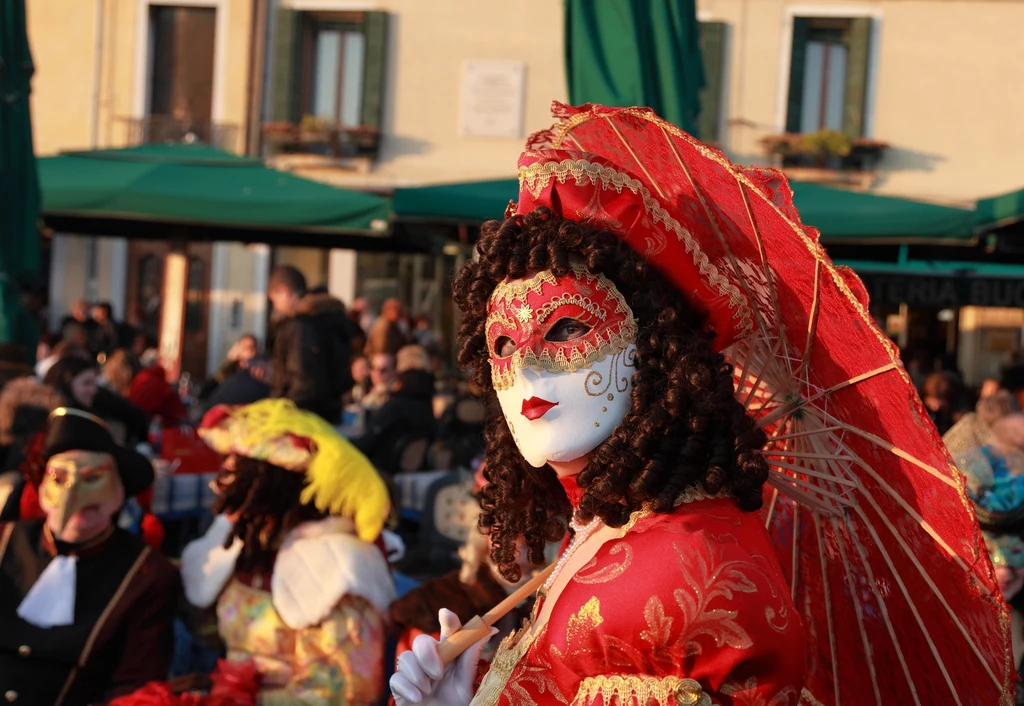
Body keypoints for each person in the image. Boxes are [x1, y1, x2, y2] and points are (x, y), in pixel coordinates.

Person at [390, 129, 806, 704]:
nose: (528, 372)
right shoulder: (618, 527)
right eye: (504, 345)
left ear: (656, 353)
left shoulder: (671, 562)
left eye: (566, 328)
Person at [179, 399, 395, 704]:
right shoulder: (245, 546)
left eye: (242, 473)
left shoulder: (337, 568)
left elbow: (346, 690)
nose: (222, 483)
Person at [0, 407, 177, 704]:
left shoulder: (145, 574)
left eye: (93, 478)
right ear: (42, 488)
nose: (74, 495)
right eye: (59, 478)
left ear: (118, 493)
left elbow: (135, 686)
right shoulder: (4, 539)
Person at [267, 266, 353, 424]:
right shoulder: (328, 318)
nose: (276, 306)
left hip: (304, 420)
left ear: (284, 292)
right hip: (329, 416)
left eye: (274, 300)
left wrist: (279, 414)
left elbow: (303, 382)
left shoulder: (300, 327)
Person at [354, 346, 437, 473]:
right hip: (415, 471)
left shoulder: (396, 404)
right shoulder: (427, 403)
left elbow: (368, 442)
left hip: (383, 471)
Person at [44, 356, 151, 445]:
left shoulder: (92, 410)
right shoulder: (62, 420)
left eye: (94, 384)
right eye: (86, 383)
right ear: (67, 380)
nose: (93, 390)